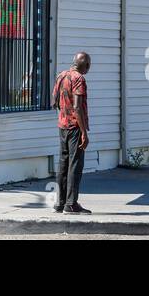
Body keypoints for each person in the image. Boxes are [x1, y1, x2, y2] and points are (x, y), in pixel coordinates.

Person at [53, 51, 90, 214]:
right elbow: (77, 107)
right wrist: (84, 132)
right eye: (88, 64)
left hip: (62, 125)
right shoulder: (79, 79)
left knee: (63, 164)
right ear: (84, 65)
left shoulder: (61, 75)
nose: (89, 67)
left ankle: (60, 203)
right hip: (75, 126)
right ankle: (71, 204)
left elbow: (54, 101)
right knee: (75, 165)